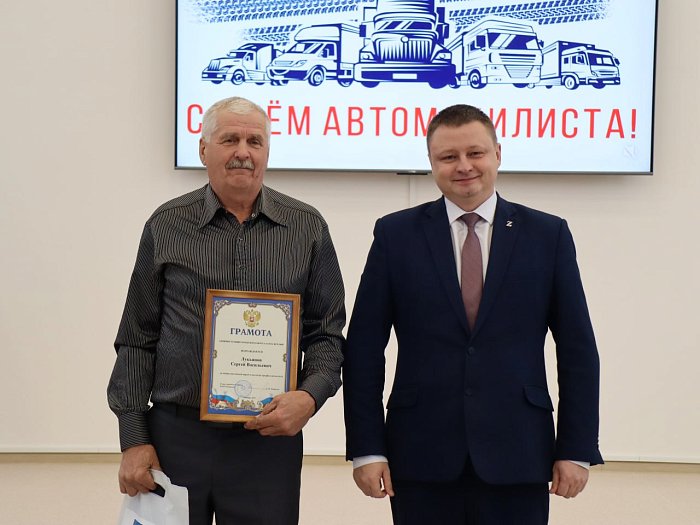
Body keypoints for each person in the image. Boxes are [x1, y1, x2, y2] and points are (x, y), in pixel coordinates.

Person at [343, 104, 602, 525]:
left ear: (498, 154)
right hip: (419, 454)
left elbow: (578, 349)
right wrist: (367, 449)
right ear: (432, 163)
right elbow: (363, 349)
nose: (463, 166)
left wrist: (576, 448)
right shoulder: (395, 235)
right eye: (448, 156)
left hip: (518, 453)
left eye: (475, 153)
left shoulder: (548, 235)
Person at [108, 96, 345, 525]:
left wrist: (309, 398)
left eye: (255, 141)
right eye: (229, 139)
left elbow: (326, 335)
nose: (243, 152)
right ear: (204, 150)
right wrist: (134, 438)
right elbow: (136, 338)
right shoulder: (166, 225)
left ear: (267, 152)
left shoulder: (307, 227)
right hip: (175, 438)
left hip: (267, 444)